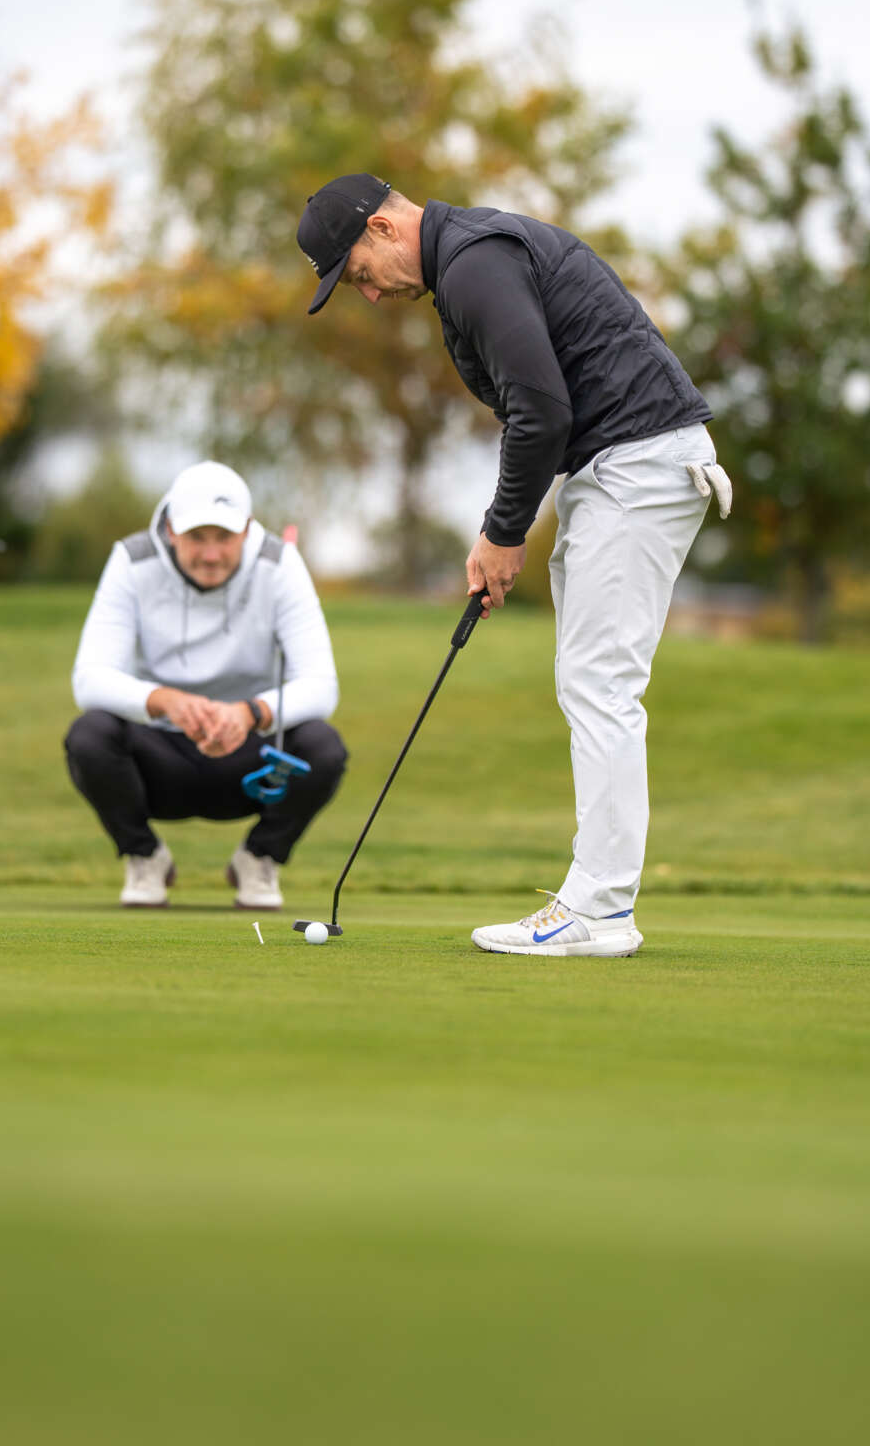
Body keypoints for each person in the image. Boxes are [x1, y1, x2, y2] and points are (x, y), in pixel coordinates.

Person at [296, 173, 731, 960]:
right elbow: (542, 412)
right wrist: (502, 532)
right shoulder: (470, 258)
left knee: (601, 683)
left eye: (357, 273)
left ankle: (599, 912)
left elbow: (542, 409)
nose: (366, 294)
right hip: (619, 469)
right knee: (592, 681)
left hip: (638, 463)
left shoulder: (472, 263)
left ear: (385, 230)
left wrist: (502, 533)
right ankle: (597, 904)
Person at [65, 461, 346, 911]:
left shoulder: (279, 562)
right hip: (157, 760)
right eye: (197, 538)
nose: (211, 555)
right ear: (172, 530)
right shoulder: (132, 559)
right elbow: (90, 679)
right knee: (90, 735)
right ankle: (144, 856)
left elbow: (321, 686)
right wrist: (165, 702)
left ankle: (259, 857)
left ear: (247, 530)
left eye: (224, 538)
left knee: (322, 745)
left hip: (250, 766)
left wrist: (249, 714)